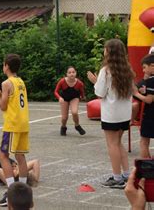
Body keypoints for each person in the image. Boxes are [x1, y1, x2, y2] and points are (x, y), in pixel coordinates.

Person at [87, 38, 133, 188]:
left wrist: (95, 82)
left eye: (105, 49)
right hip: (124, 113)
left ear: (109, 52)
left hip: (111, 114)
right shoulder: (127, 69)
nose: (104, 51)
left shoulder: (105, 71)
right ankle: (127, 174)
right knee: (119, 143)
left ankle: (117, 177)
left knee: (112, 145)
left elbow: (100, 93)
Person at [0, 54, 30, 207]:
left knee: (2, 155)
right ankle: (24, 191)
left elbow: (3, 106)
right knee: (20, 156)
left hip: (12, 124)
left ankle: (11, 193)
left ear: (6, 66)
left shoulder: (6, 83)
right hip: (23, 122)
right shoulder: (20, 81)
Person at [54, 66, 86, 136]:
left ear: (76, 73)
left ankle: (77, 126)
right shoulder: (62, 81)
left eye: (73, 72)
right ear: (67, 74)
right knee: (64, 118)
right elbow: (55, 92)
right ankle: (63, 127)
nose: (72, 74)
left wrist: (82, 97)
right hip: (64, 98)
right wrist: (59, 98)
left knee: (74, 112)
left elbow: (82, 92)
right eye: (69, 72)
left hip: (74, 98)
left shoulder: (79, 83)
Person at [136, 54, 154, 158]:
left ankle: (147, 168)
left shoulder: (151, 81)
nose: (143, 70)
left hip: (150, 116)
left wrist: (136, 93)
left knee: (143, 142)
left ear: (152, 66)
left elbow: (149, 100)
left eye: (144, 67)